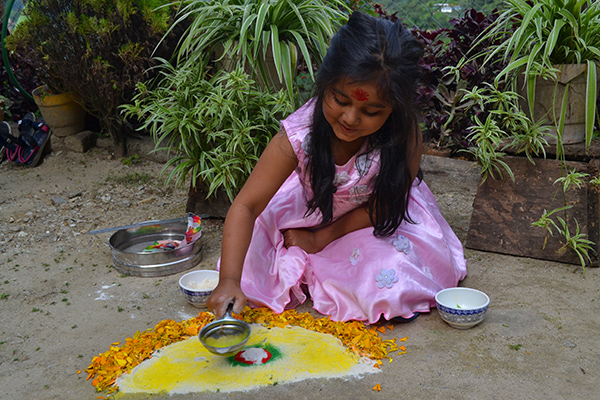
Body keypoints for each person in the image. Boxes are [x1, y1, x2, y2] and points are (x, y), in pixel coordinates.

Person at [207, 11, 467, 324]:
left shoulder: (404, 136)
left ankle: (331, 260)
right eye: (340, 100)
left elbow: (387, 205)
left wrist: (320, 239)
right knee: (250, 266)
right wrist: (229, 282)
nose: (350, 118)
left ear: (394, 108)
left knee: (390, 279)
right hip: (308, 208)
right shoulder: (299, 135)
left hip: (373, 215)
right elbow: (247, 206)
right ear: (325, 82)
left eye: (371, 110)